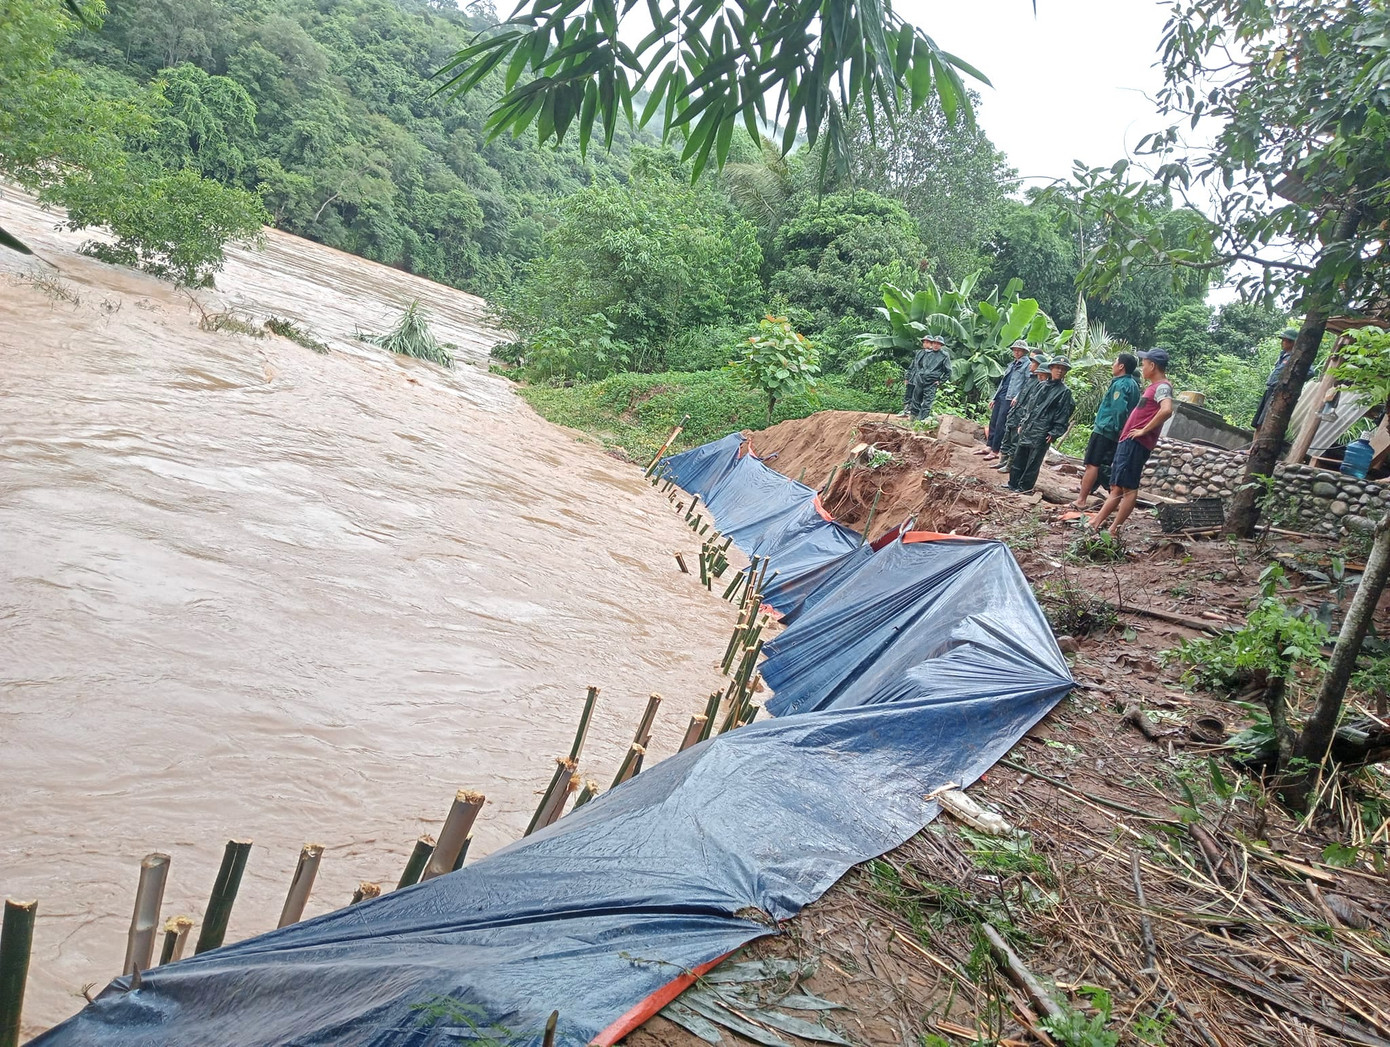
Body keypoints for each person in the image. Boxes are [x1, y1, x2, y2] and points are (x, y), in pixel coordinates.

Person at [1089, 349, 1175, 537]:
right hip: (1129, 440)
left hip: (1137, 442)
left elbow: (1167, 410)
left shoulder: (1162, 387)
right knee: (1117, 487)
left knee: (1128, 488)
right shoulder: (1153, 387)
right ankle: (1096, 521)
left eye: (1144, 363)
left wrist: (1144, 430)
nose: (1142, 367)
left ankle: (1113, 529)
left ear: (1152, 365)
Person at [1070, 352, 1141, 508]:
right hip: (1116, 432)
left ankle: (1081, 500)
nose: (1112, 364)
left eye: (1115, 361)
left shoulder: (1120, 384)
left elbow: (1119, 409)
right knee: (1105, 465)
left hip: (1106, 430)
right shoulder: (1133, 385)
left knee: (1092, 464)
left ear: (1121, 366)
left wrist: (1118, 428)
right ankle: (1112, 501)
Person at [1006, 357, 1076, 493]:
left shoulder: (1064, 392)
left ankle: (1024, 487)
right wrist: (1023, 422)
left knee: (1033, 461)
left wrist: (1055, 432)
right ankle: (1012, 483)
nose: (1060, 371)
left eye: (1063, 369)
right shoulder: (1041, 385)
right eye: (1057, 368)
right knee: (1019, 456)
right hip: (1029, 426)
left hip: (1043, 430)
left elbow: (1063, 413)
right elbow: (1030, 406)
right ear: (1051, 369)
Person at [995, 355, 1047, 472]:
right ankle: (1002, 461)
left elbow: (1031, 402)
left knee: (1015, 439)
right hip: (1016, 411)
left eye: (1033, 363)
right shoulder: (1030, 379)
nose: (1030, 364)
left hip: (1022, 415)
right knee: (1007, 435)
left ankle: (1009, 465)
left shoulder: (1039, 383)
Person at [982, 340, 1031, 460]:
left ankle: (995, 450)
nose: (1017, 352)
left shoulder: (1027, 365)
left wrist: (1017, 397)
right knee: (993, 421)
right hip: (1001, 395)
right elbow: (1003, 382)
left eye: (1019, 350)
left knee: (1001, 423)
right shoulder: (1011, 364)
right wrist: (994, 397)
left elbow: (1027, 384)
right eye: (1015, 350)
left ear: (1024, 352)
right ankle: (989, 445)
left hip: (1011, 397)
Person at [1251, 326, 1304, 428]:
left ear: (1292, 342)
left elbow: (1310, 372)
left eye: (1285, 341)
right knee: (1258, 422)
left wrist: (1289, 381)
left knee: (1265, 422)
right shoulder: (1283, 355)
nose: (1283, 343)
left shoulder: (1296, 358)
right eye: (1283, 340)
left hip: (1278, 392)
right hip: (1270, 389)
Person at [902, 333, 952, 420]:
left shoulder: (944, 355)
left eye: (938, 344)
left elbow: (948, 371)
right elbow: (917, 365)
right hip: (920, 380)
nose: (936, 345)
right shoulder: (925, 353)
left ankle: (922, 420)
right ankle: (913, 418)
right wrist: (915, 376)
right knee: (916, 399)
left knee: (927, 402)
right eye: (934, 343)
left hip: (932, 382)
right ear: (932, 344)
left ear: (941, 345)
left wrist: (940, 381)